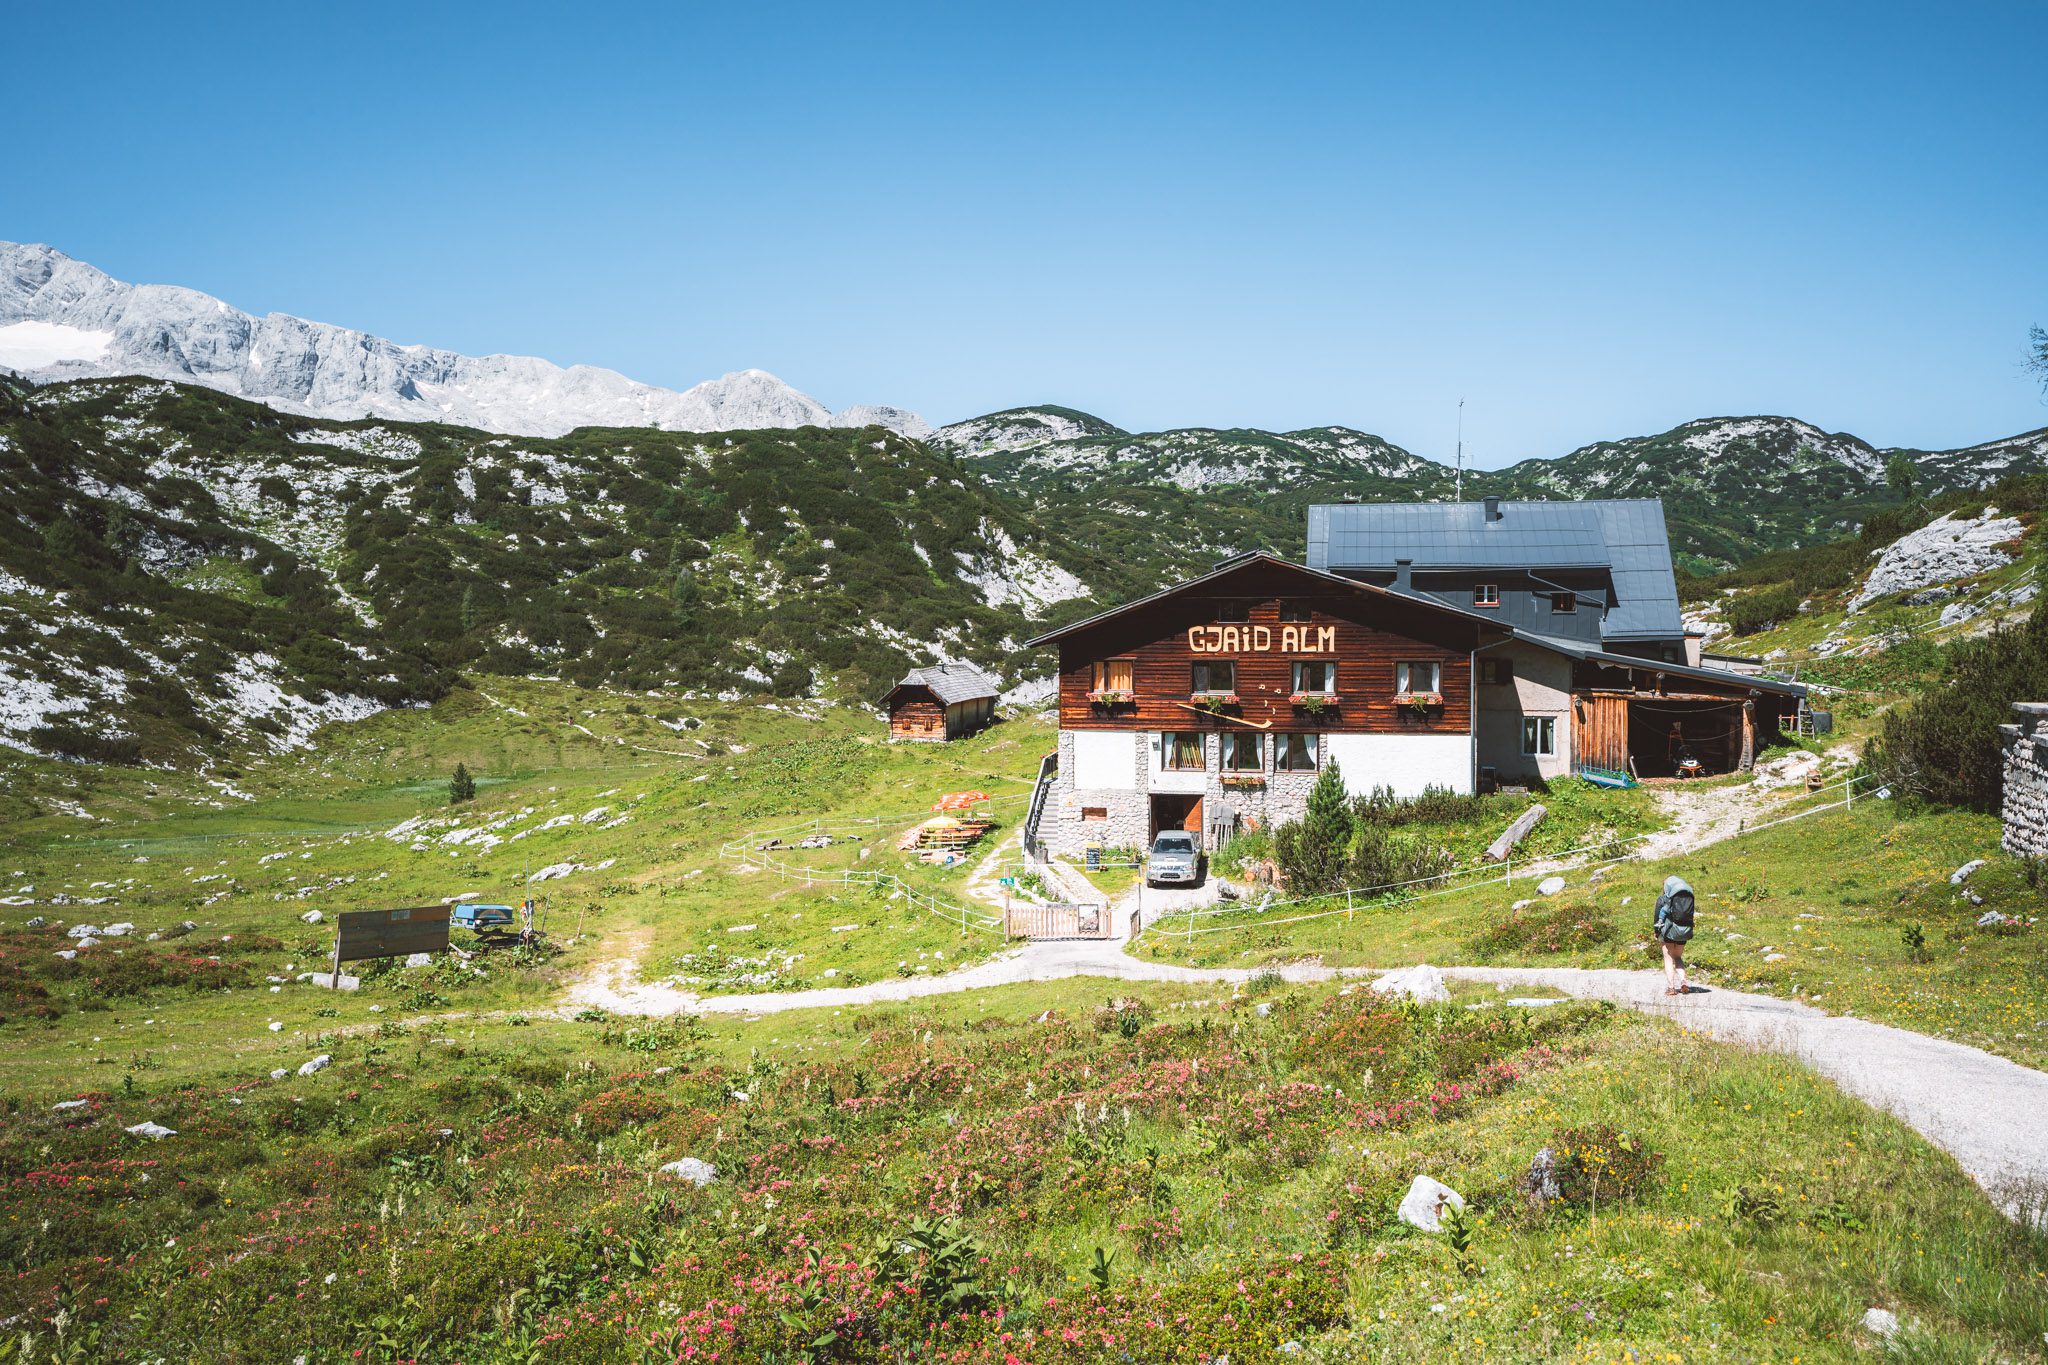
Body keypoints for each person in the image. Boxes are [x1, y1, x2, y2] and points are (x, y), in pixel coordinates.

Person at [1653, 874, 1697, 995]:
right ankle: (1683, 981)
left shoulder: (1663, 899)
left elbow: (1657, 916)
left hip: (1668, 932)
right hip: (1684, 930)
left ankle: (1671, 987)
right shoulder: (1686, 897)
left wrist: (1656, 931)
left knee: (1668, 958)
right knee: (1678, 957)